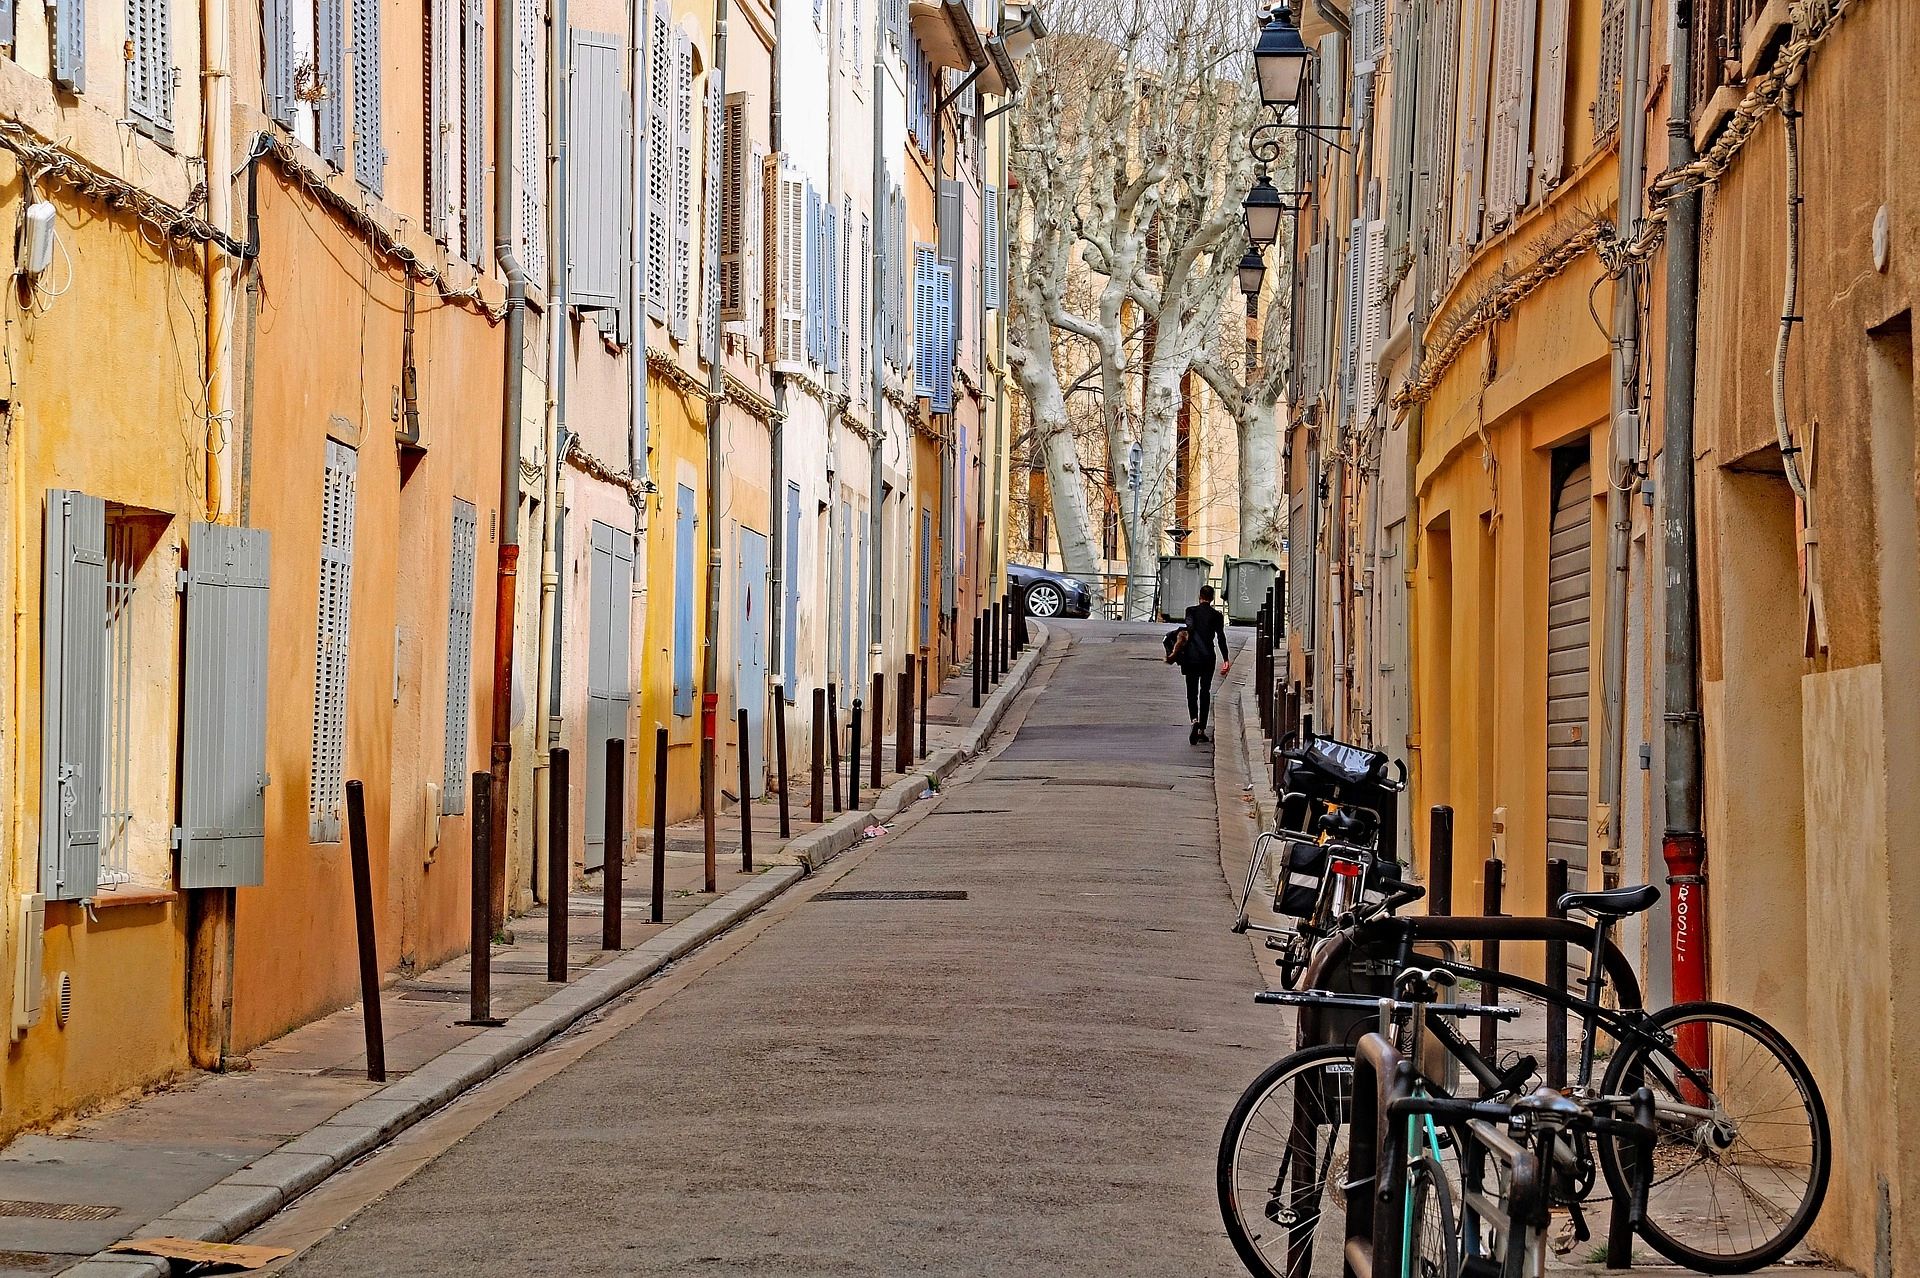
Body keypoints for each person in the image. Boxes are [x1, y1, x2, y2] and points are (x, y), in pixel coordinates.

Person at [1179, 585, 1231, 744]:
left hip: (1192, 656)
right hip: (1208, 656)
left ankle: (1194, 720)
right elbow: (1221, 637)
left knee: (1191, 691)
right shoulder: (1216, 615)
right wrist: (1226, 659)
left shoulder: (1190, 611)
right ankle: (1202, 728)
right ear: (1212, 598)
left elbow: (1189, 628)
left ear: (1199, 596)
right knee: (1205, 691)